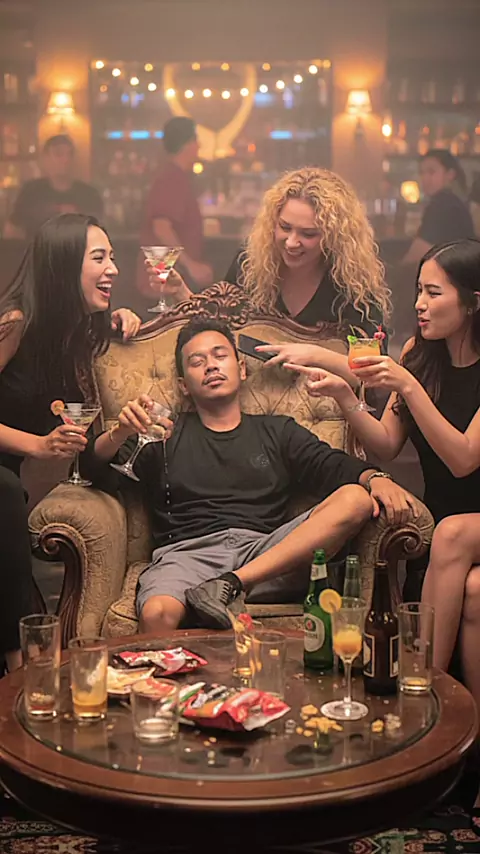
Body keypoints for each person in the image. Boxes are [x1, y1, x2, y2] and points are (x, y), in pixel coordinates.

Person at [82, 316, 415, 633]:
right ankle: (204, 619)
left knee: (356, 499)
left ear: (241, 369)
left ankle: (230, 584)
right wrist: (118, 433)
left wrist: (376, 479)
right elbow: (93, 472)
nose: (211, 366)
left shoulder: (278, 431)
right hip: (187, 557)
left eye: (220, 356)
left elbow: (333, 466)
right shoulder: (163, 432)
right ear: (184, 385)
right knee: (157, 614)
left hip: (268, 557)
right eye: (197, 362)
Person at [282, 238, 480, 689]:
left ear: (472, 302)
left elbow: (464, 459)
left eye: (434, 293)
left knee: (452, 532)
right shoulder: (419, 355)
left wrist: (408, 385)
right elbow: (386, 444)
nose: (420, 304)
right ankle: (463, 719)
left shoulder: (413, 373)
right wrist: (345, 397)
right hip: (451, 537)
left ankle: (422, 684)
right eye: (419, 290)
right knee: (474, 591)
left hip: (461, 528)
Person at [0, 212, 141, 672]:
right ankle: (20, 665)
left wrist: (116, 318)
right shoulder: (16, 321)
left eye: (112, 257)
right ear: (63, 265)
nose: (113, 268)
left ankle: (32, 665)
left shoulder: (73, 332)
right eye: (99, 258)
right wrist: (38, 445)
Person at [147, 166, 392, 385]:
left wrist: (313, 354)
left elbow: (374, 373)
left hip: (327, 408)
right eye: (285, 227)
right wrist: (181, 293)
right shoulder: (250, 263)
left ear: (333, 236)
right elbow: (218, 330)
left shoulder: (353, 285)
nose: (292, 242)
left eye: (308, 234)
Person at [137, 116, 213, 298]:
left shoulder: (176, 176)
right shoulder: (171, 179)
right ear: (187, 144)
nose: (199, 145)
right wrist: (191, 265)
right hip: (162, 282)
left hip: (169, 281)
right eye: (196, 140)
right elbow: (161, 227)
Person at [3, 135, 103, 241]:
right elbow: (12, 229)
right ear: (46, 159)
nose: (66, 159)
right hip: (38, 250)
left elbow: (99, 233)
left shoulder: (89, 195)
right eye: (59, 154)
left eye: (70, 154)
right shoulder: (31, 192)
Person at [400, 149, 475, 267]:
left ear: (450, 174)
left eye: (431, 172)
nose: (425, 178)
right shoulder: (453, 201)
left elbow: (416, 256)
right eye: (422, 173)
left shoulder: (443, 205)